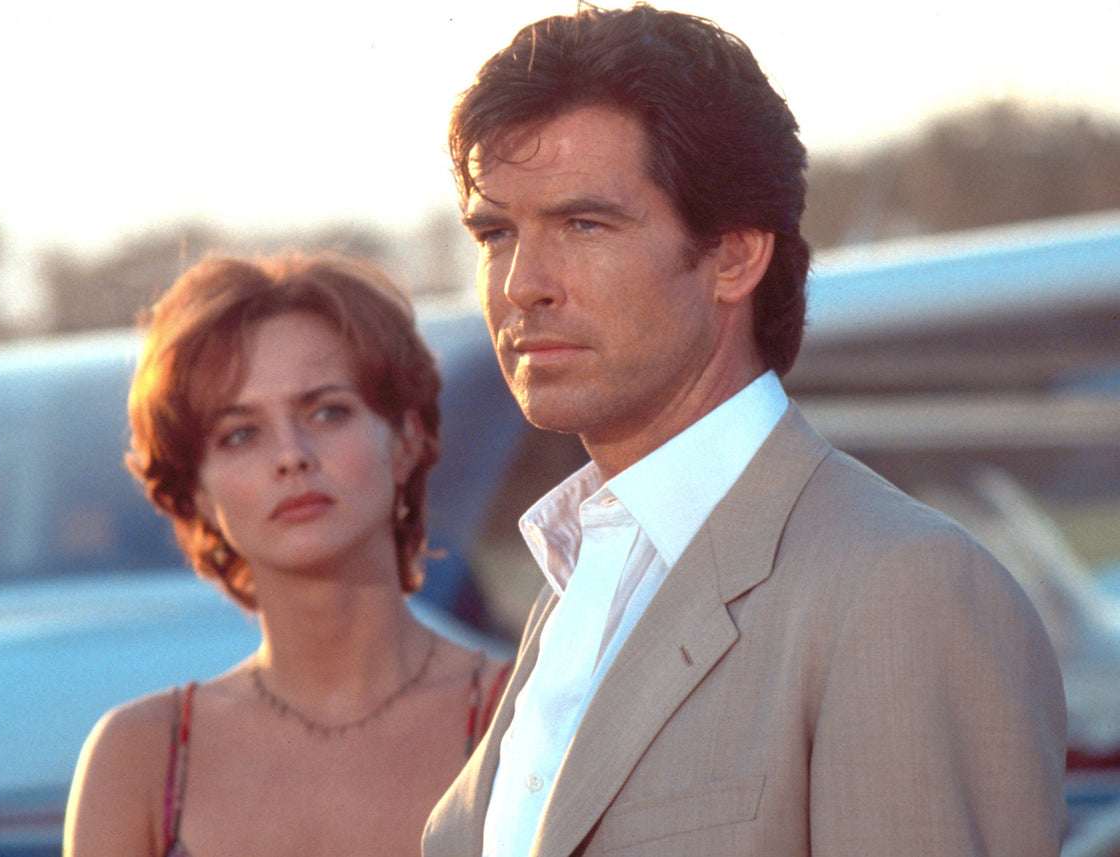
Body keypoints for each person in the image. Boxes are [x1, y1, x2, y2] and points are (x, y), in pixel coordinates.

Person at [423, 4, 1067, 856]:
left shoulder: (901, 587)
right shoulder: (580, 582)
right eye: (496, 232)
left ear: (734, 256)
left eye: (584, 224)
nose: (521, 284)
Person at [64, 252, 510, 856]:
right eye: (240, 434)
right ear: (198, 492)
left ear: (406, 439)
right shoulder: (141, 759)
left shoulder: (525, 718)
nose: (291, 455)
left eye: (327, 412)